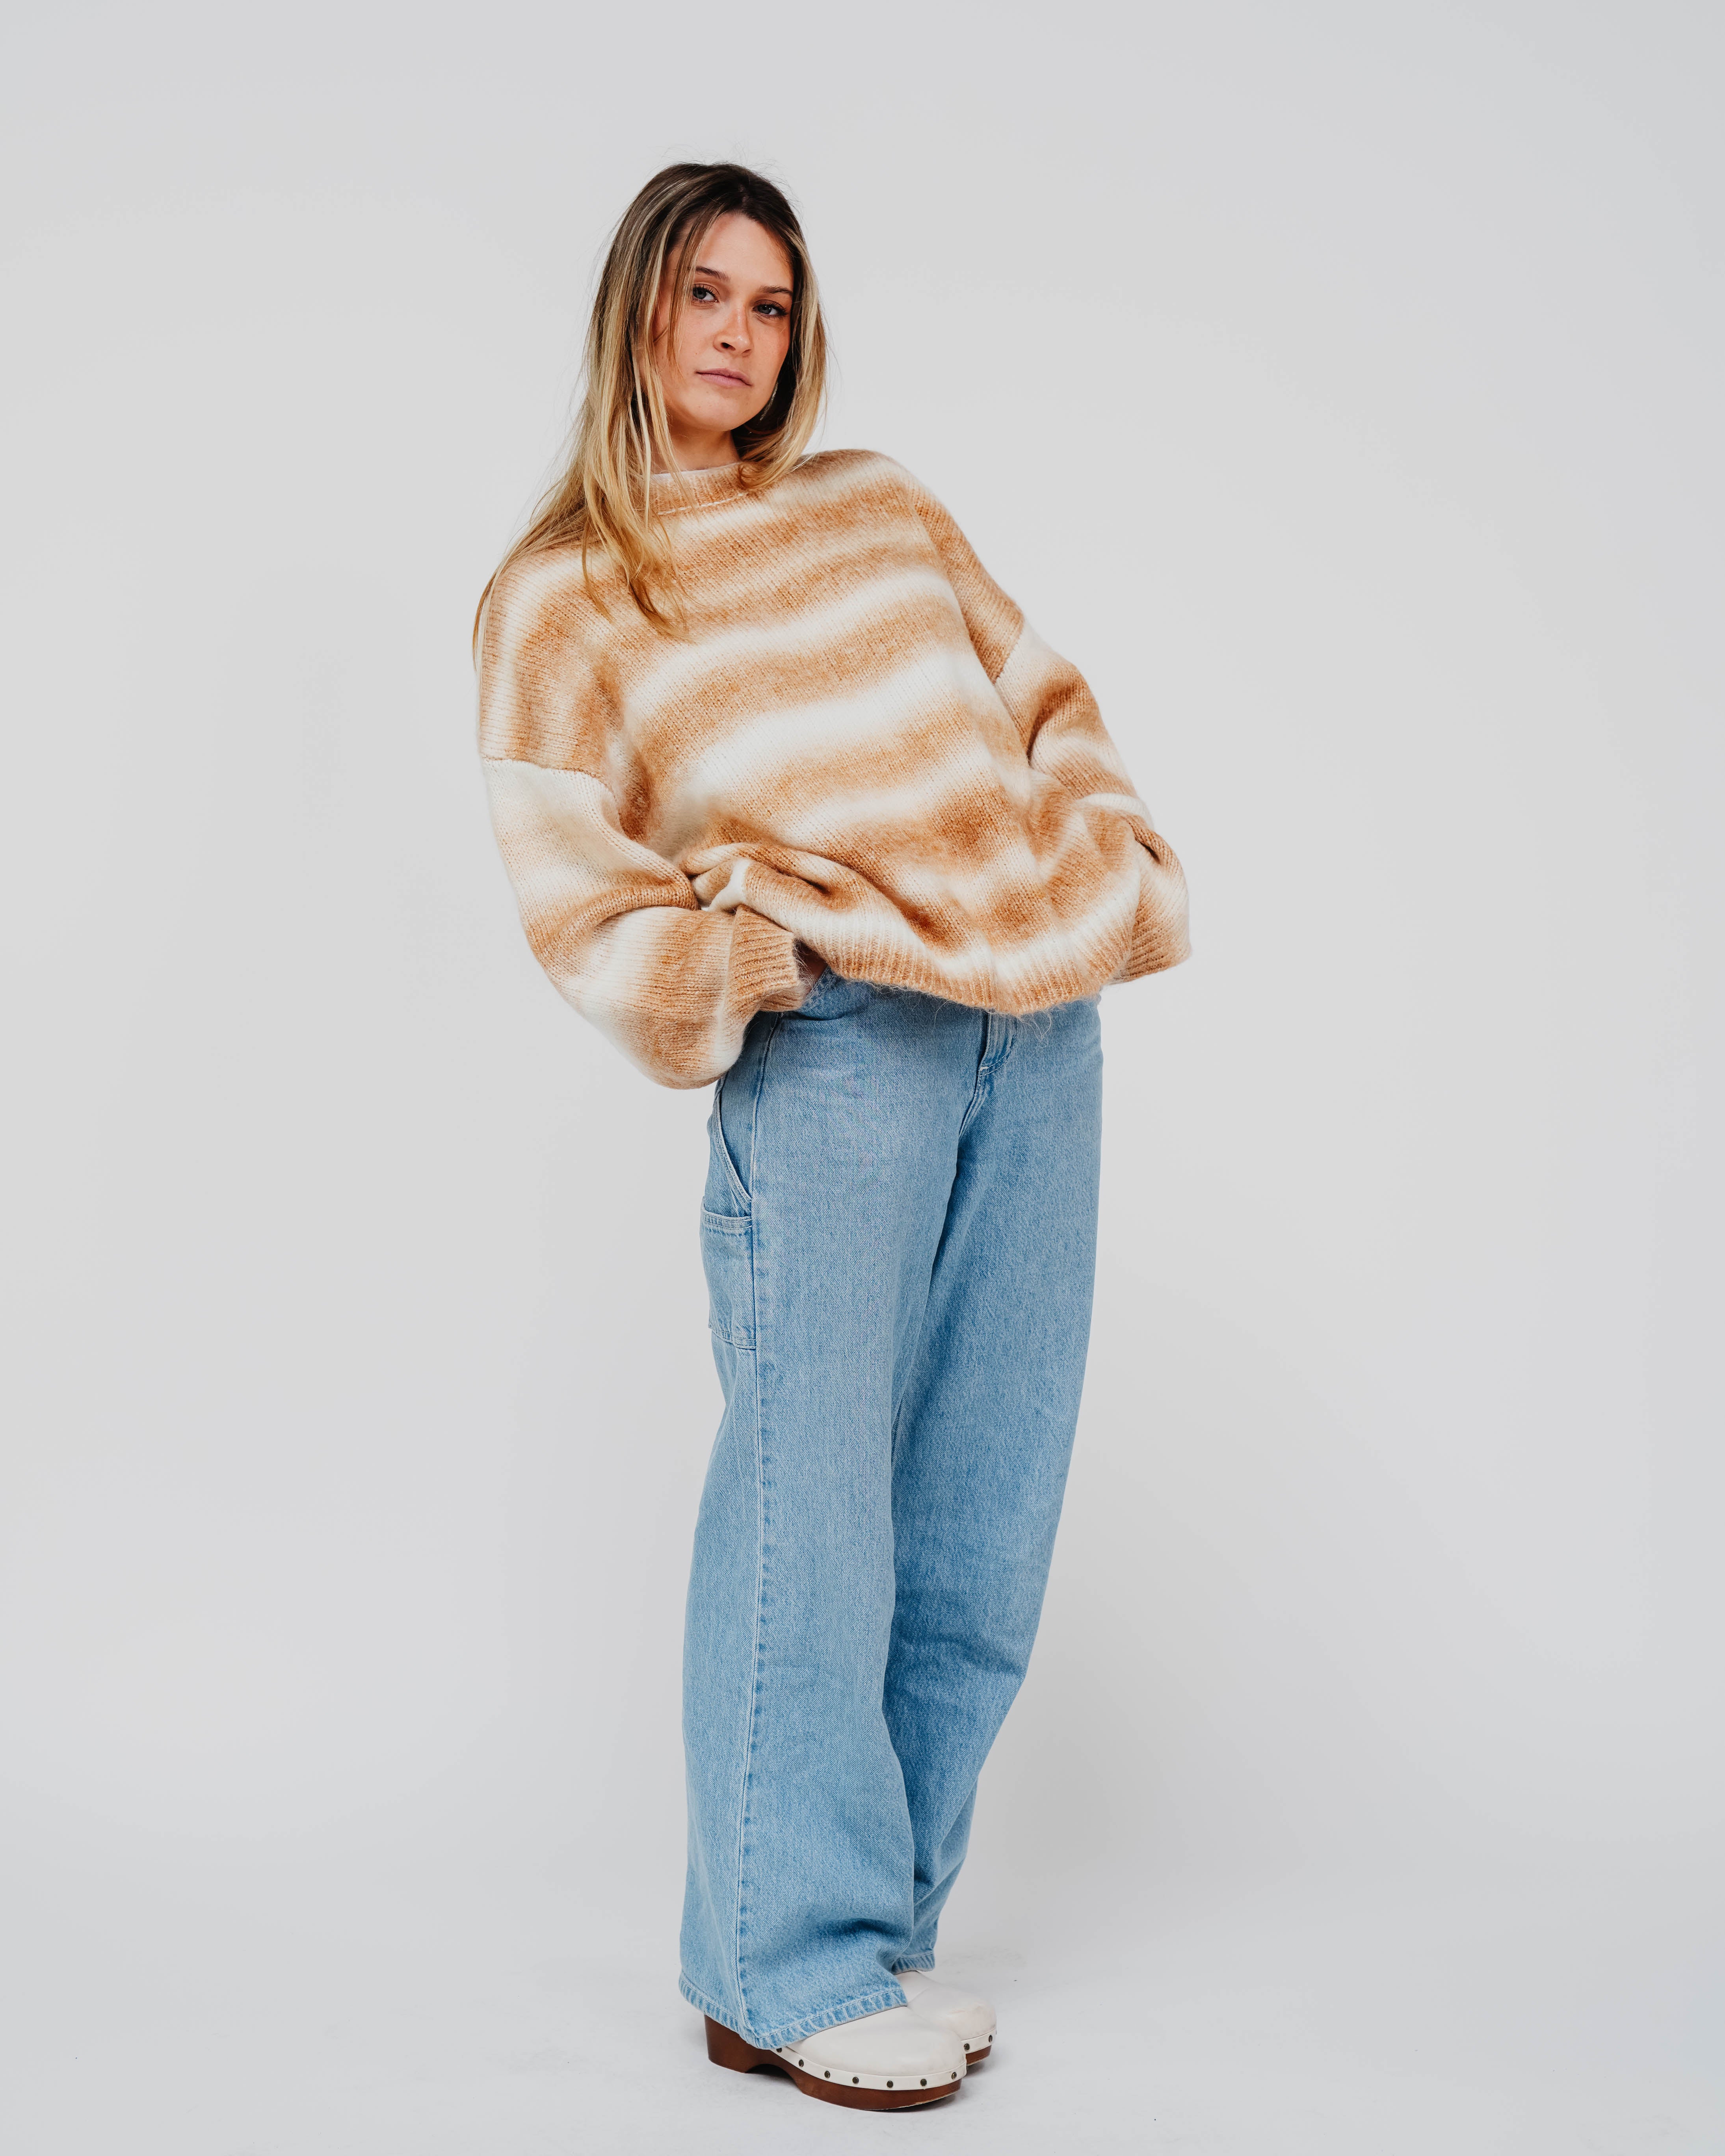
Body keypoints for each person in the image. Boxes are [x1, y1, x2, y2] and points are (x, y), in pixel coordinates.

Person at [474, 162, 1189, 2111]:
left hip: (1035, 1029)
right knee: (816, 1511)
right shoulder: (565, 593)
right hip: (844, 1046)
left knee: (984, 1508)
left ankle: (872, 1932)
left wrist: (1108, 872)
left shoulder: (881, 505)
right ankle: (776, 1963)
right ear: (636, 308)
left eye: (770, 304)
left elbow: (1045, 701)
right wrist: (751, 966)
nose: (736, 331)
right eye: (702, 292)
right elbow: (576, 888)